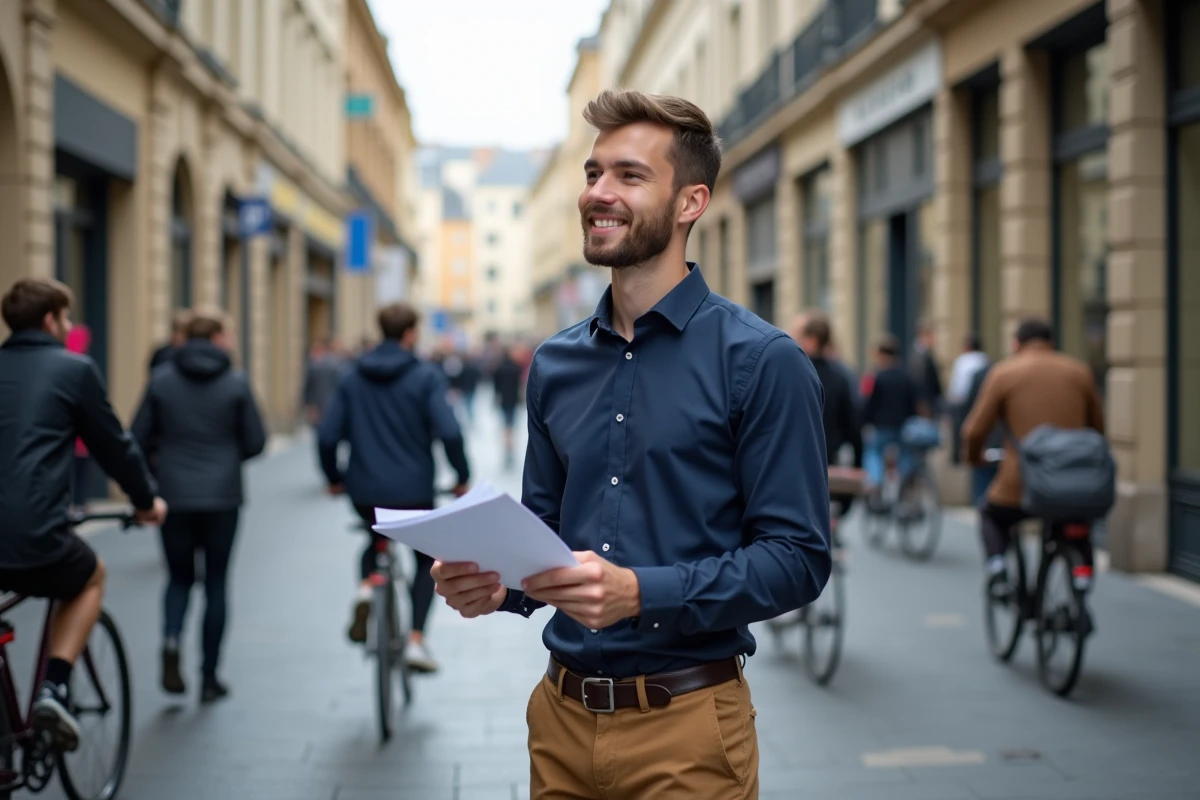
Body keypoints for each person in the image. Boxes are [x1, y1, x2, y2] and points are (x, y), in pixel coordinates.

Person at [430, 89, 831, 799]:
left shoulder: (763, 361)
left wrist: (639, 592)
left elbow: (796, 559)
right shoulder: (554, 364)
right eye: (592, 174)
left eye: (629, 176)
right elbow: (548, 533)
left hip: (687, 730)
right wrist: (495, 584)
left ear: (690, 203)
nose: (599, 194)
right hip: (558, 722)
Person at [0, 278, 167, 750]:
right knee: (90, 575)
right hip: (32, 533)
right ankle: (54, 688)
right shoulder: (72, 369)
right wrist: (144, 502)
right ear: (51, 320)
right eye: (66, 318)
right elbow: (115, 446)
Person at [317, 302, 470, 675]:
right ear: (410, 334)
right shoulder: (425, 375)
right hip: (414, 492)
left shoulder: (352, 377)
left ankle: (368, 586)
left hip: (364, 491)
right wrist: (461, 476)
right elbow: (449, 431)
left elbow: (326, 435)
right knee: (423, 559)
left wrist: (335, 478)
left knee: (374, 540)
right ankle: (416, 640)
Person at [132, 309, 267, 703]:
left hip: (173, 494)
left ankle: (172, 640)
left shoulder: (161, 379)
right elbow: (256, 441)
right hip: (222, 495)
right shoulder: (235, 382)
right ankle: (209, 677)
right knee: (217, 582)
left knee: (177, 579)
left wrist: (160, 467)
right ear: (218, 339)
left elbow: (137, 436)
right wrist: (224, 458)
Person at [961, 318, 1105, 598]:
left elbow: (974, 430)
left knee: (991, 515)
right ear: (1051, 343)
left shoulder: (1004, 373)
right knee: (1076, 528)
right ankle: (1082, 580)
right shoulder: (1079, 372)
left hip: (1023, 483)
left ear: (1016, 344)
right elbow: (1097, 429)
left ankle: (998, 568)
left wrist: (974, 458)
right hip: (1074, 482)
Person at [861, 333, 924, 507]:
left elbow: (870, 404)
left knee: (873, 452)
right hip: (902, 426)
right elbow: (913, 404)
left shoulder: (878, 376)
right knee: (905, 455)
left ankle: (875, 481)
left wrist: (865, 422)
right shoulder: (906, 376)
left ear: (881, 354)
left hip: (882, 426)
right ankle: (905, 484)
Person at [947, 334, 991, 466]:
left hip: (963, 402)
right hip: (981, 400)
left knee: (963, 429)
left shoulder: (962, 361)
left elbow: (957, 385)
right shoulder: (985, 360)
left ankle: (961, 456)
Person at [491, 344, 524, 468]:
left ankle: (507, 449)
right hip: (513, 400)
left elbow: (496, 388)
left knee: (506, 427)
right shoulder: (516, 368)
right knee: (511, 427)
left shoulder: (499, 369)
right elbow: (519, 386)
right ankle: (510, 449)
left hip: (503, 401)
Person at [302, 338, 347, 426]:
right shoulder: (342, 367)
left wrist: (309, 405)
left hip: (319, 408)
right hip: (333, 407)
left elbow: (308, 388)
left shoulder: (316, 366)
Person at [911, 319, 944, 417]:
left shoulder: (924, 354)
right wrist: (923, 404)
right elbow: (920, 381)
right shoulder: (920, 356)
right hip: (926, 404)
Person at [148, 309, 192, 374]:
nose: (178, 335)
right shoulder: (161, 353)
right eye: (176, 330)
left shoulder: (192, 353)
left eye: (183, 332)